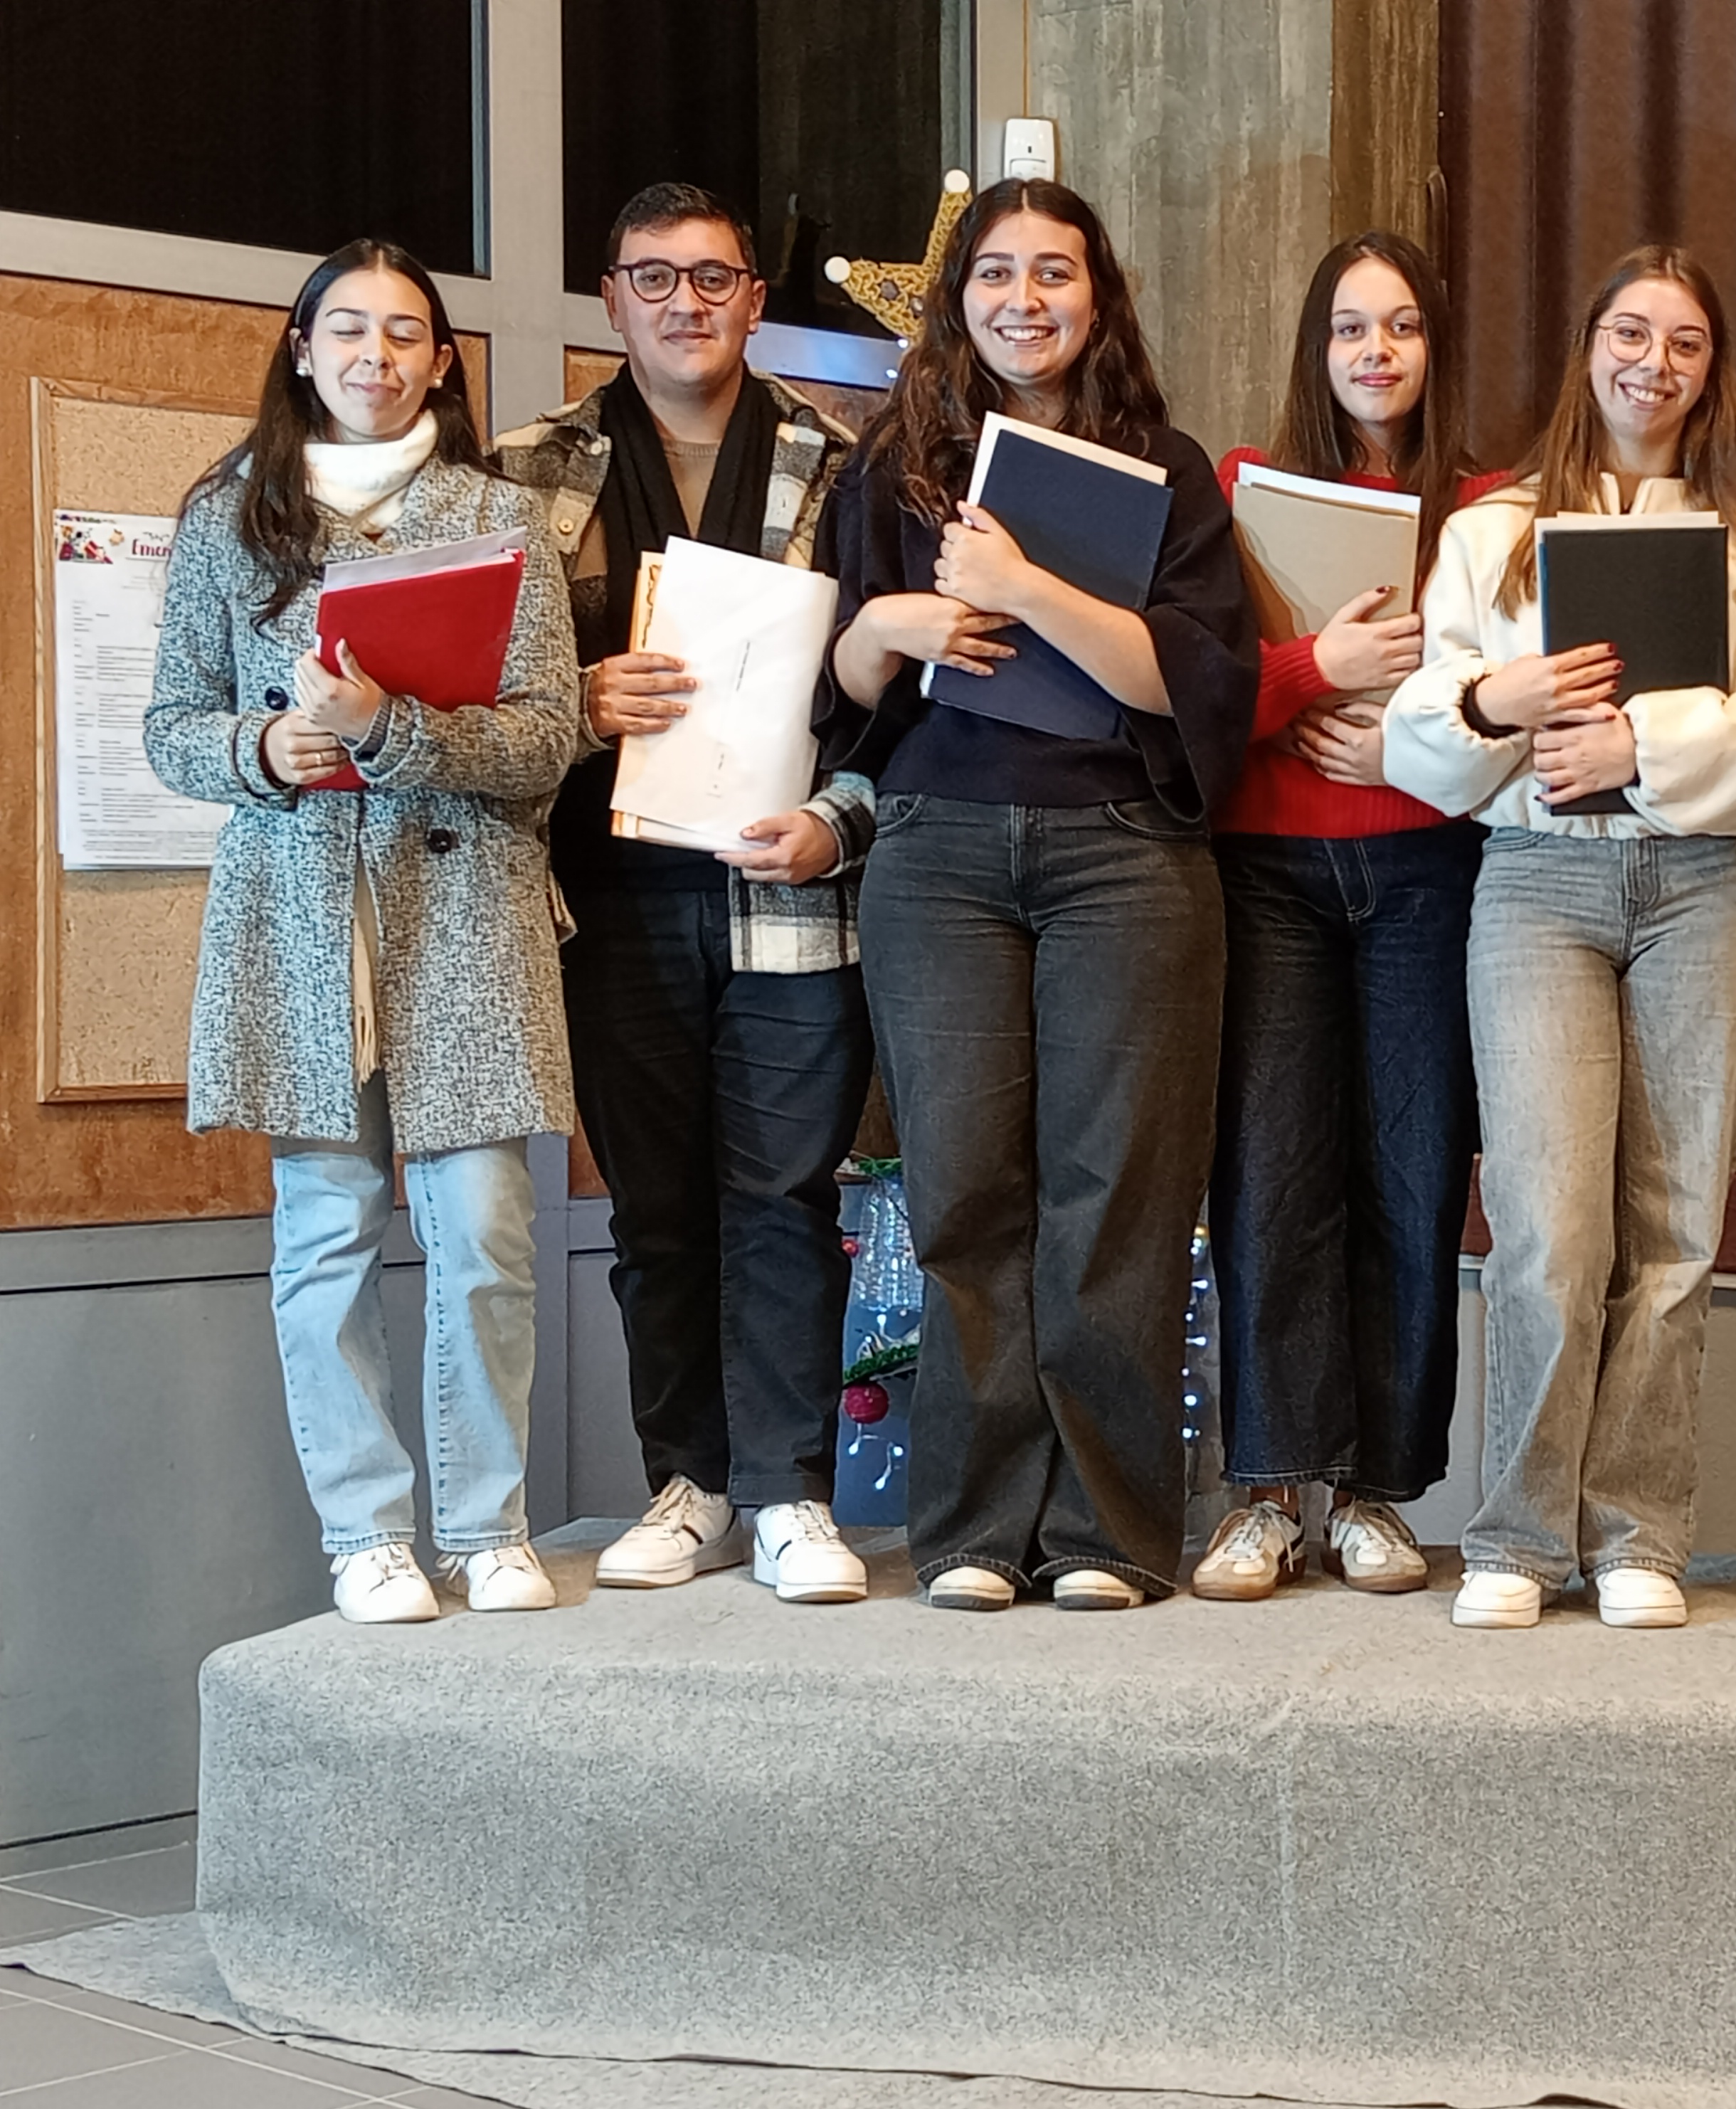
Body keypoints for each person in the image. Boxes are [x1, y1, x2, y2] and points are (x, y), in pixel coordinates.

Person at [817, 178, 1257, 1610]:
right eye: (997, 273)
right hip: (939, 851)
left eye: (1054, 272)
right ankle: (970, 1531)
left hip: (1124, 851)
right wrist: (892, 620)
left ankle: (1107, 1535)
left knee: (1117, 1194)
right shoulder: (894, 466)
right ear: (961, 300)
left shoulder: (1165, 470)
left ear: (1098, 296)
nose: (1025, 299)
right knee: (962, 1190)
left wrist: (1023, 587)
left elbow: (1189, 685)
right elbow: (845, 688)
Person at [1385, 243, 1736, 1631]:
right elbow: (1420, 731)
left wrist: (1644, 746)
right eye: (1631, 333)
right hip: (1537, 886)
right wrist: (1501, 700)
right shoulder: (1494, 532)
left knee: (1678, 1229)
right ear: (1590, 348)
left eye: (1685, 342)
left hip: (1710, 887)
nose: (1655, 362)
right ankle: (1520, 1538)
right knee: (1546, 1229)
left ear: (1714, 371)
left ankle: (1640, 1533)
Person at [144, 240, 579, 1624]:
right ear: (302, 346)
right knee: (326, 1231)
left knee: (488, 1231)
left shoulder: (499, 516)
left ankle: (488, 1522)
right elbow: (170, 727)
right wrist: (264, 747)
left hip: (465, 911)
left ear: (441, 360)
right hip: (301, 910)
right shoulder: (231, 514)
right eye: (347, 329)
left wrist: (394, 728)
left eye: (403, 333)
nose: (374, 355)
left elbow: (549, 737)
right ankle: (366, 1534)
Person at [494, 183, 874, 1606]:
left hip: (792, 886)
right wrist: (575, 701)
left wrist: (840, 823)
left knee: (783, 1196)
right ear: (612, 298)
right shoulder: (525, 471)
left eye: (713, 277)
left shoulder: (844, 467)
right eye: (653, 278)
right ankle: (693, 1484)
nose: (684, 303)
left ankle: (792, 1494)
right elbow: (477, 702)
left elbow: (891, 703)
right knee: (656, 1211)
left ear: (755, 299)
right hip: (610, 897)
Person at [1192, 231, 1499, 1603]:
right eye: (1351, 328)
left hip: (1430, 871)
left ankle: (1375, 1490)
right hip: (1267, 870)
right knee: (1269, 1174)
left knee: (1412, 1176)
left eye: (1404, 326)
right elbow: (1205, 693)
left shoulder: (1490, 511)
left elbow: (1512, 711)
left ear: (1436, 346)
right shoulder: (1240, 491)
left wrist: (1404, 742)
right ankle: (1267, 1487)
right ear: (1315, 348)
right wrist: (1317, 667)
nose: (1378, 351)